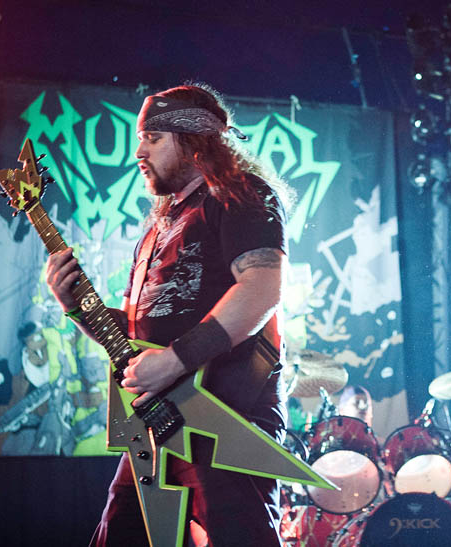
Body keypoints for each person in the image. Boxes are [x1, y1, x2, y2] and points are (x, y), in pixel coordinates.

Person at [45, 83, 293, 546]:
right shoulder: (159, 227)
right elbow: (140, 341)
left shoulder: (239, 194)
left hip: (225, 419)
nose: (139, 151)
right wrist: (79, 308)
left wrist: (176, 361)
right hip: (157, 423)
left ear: (194, 140)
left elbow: (262, 288)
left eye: (153, 137)